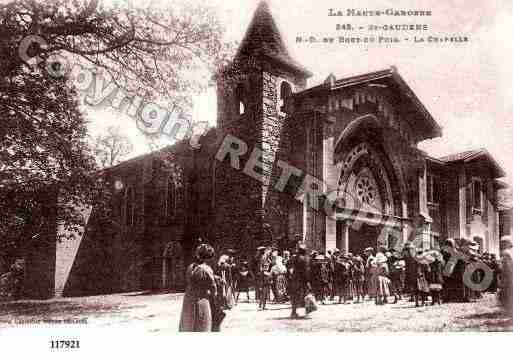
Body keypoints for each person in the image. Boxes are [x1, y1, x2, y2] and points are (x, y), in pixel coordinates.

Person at [178, 243, 219, 332]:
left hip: (189, 299)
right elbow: (213, 287)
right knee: (202, 324)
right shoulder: (207, 269)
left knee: (188, 324)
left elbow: (192, 279)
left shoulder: (191, 267)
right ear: (208, 257)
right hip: (201, 300)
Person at [288, 243, 311, 319]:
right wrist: (308, 281)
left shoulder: (294, 258)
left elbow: (290, 268)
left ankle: (293, 312)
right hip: (302, 280)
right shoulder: (305, 259)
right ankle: (307, 312)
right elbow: (306, 271)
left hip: (295, 279)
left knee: (294, 297)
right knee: (306, 296)